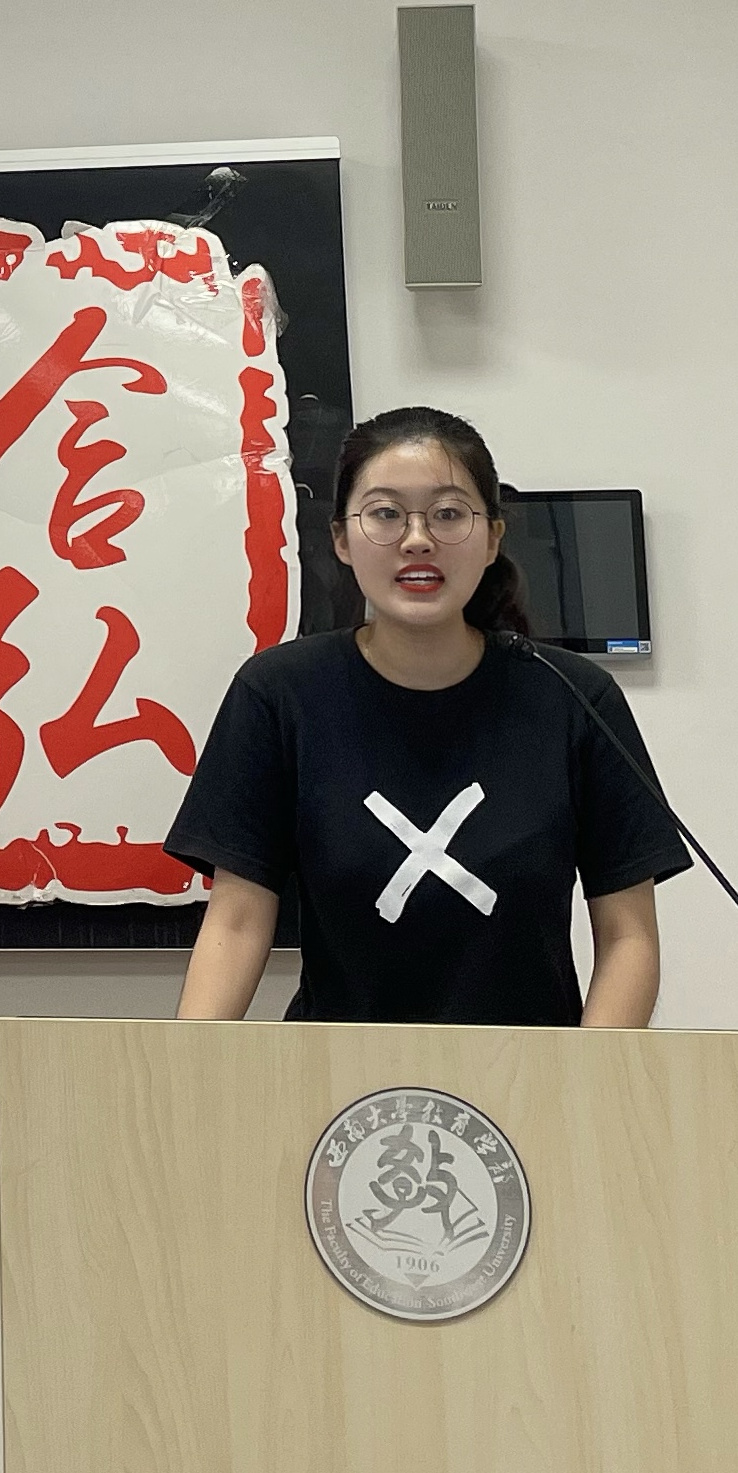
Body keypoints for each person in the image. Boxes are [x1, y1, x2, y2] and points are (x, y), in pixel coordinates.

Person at [168, 406, 690, 1026]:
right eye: (386, 513)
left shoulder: (575, 698)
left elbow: (629, 937)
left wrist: (584, 1077)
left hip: (528, 1071)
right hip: (334, 1072)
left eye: (448, 513)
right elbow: (236, 921)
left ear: (493, 537)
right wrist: (189, 1071)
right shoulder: (279, 694)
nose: (417, 538)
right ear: (341, 539)